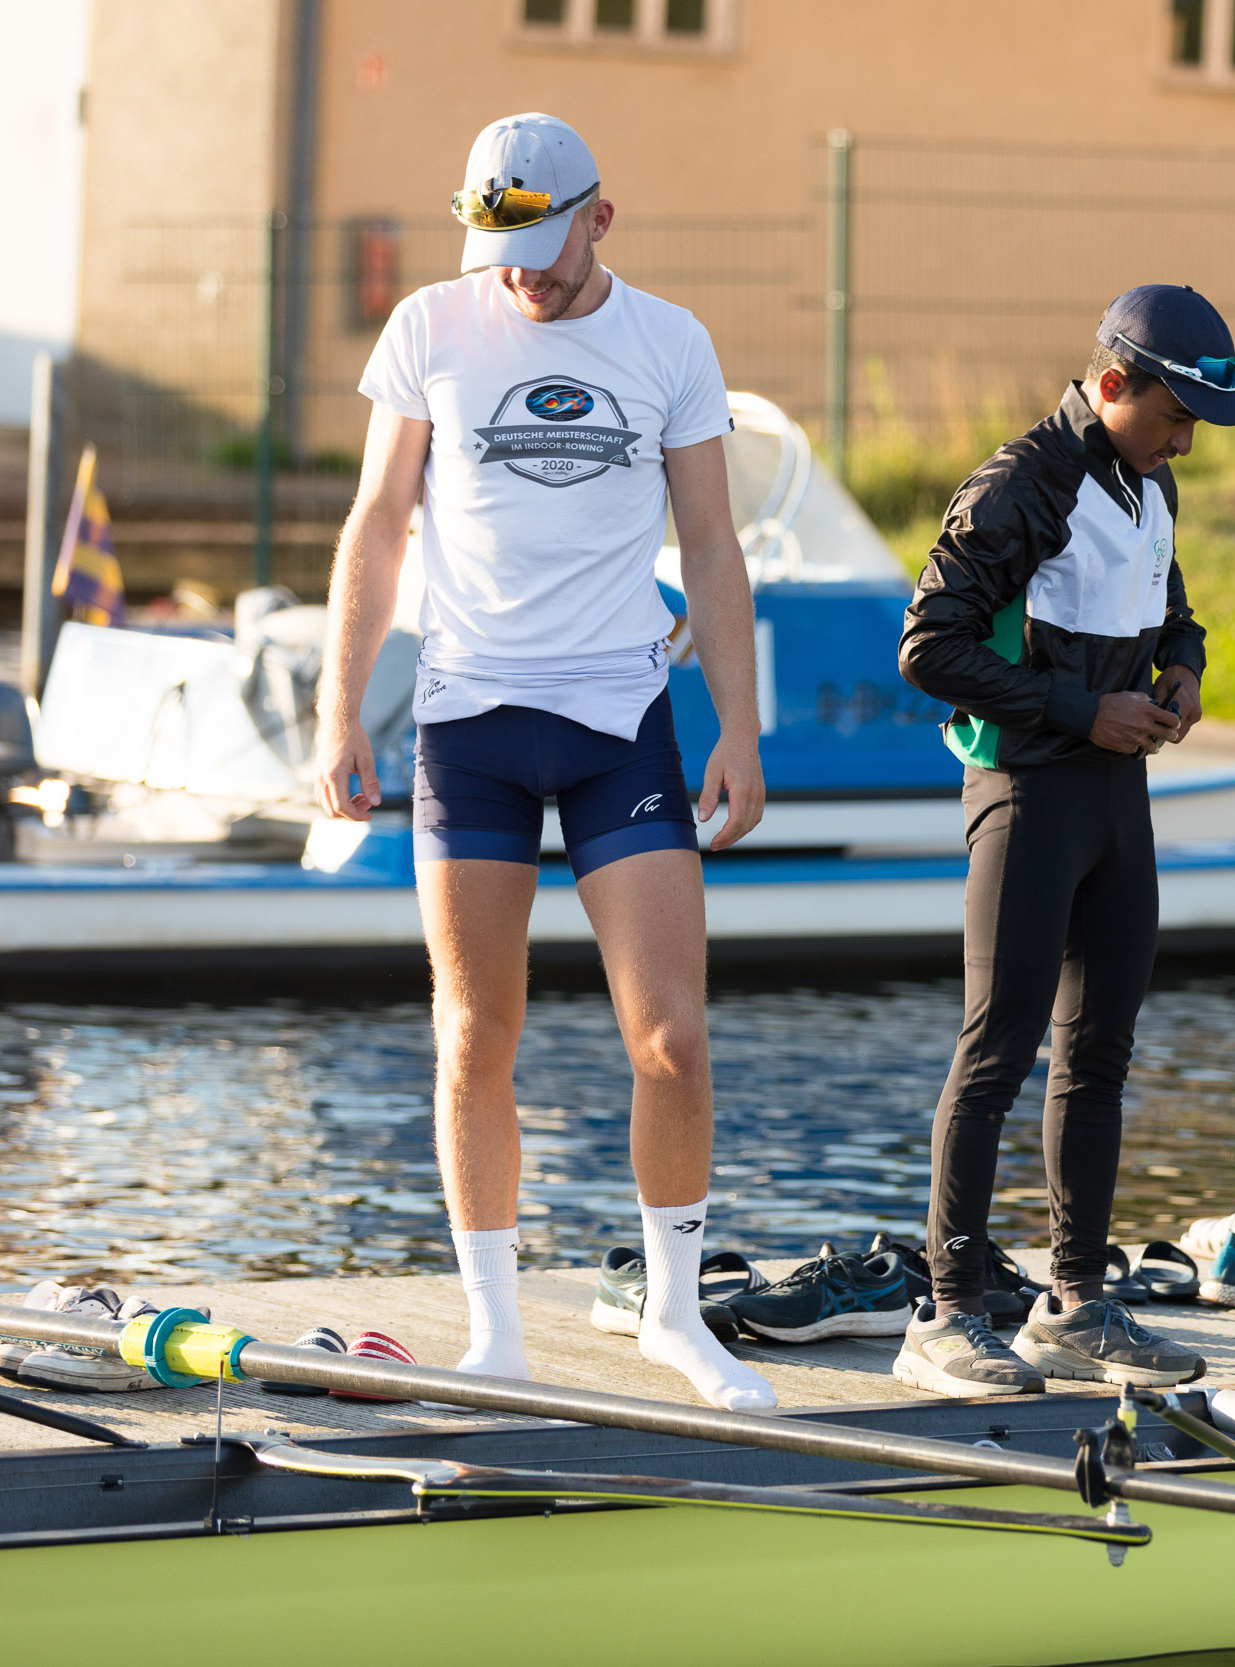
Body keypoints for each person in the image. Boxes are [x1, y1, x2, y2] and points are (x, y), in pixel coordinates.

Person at [313, 113, 776, 1411]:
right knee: (476, 1035)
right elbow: (376, 523)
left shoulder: (670, 342)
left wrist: (740, 725)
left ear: (601, 217)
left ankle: (677, 1317)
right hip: (469, 724)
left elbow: (713, 544)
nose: (519, 271)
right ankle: (494, 1330)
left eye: (542, 244)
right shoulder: (428, 329)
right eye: (496, 244)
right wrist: (338, 706)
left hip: (619, 716)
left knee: (671, 1038)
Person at [892, 285, 1235, 1396]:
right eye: (1173, 414)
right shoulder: (1017, 486)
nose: (1185, 438)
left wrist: (1183, 667)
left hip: (1116, 797)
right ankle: (946, 1315)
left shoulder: (1151, 483)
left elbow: (1172, 605)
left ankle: (1076, 1303)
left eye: (1197, 422)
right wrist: (1075, 707)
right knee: (995, 1053)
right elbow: (927, 647)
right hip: (1026, 790)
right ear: (1110, 385)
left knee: (1099, 1052)